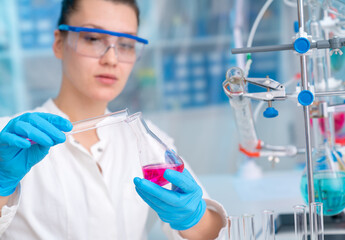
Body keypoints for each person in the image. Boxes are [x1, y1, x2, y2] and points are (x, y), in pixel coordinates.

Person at [0, 0, 227, 239]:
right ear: (59, 43)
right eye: (93, 39)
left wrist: (193, 218)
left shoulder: (148, 140)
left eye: (126, 44)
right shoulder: (9, 141)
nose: (112, 59)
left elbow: (213, 231)